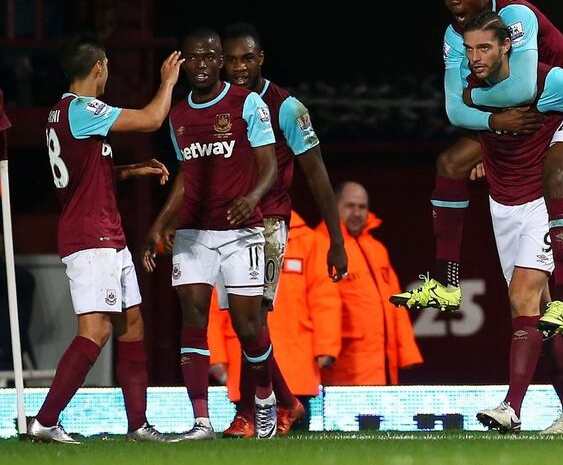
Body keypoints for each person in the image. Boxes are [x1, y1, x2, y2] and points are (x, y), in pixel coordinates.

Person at [392, 0, 563, 336]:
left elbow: (521, 88)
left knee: (555, 177)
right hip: (515, 115)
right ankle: (447, 282)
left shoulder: (515, 15)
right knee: (451, 163)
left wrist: (474, 98)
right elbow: (454, 110)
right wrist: (494, 127)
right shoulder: (456, 34)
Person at [458, 12, 563, 434]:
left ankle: (511, 406)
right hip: (503, 205)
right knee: (534, 319)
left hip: (539, 204)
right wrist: (484, 158)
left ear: (507, 46)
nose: (475, 57)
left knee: (522, 297)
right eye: (470, 49)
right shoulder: (470, 85)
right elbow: (487, 129)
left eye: (484, 48)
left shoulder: (545, 80)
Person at [27, 34, 183, 443]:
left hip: (106, 235)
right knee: (94, 331)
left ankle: (138, 426)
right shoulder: (84, 108)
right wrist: (167, 82)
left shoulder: (59, 115)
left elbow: (86, 174)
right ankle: (44, 421)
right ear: (99, 67)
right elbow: (151, 119)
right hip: (91, 236)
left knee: (132, 326)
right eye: (108, 67)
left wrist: (133, 170)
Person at [141, 28, 280, 440]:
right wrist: (159, 225)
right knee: (193, 319)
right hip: (193, 233)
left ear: (220, 61)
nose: (200, 65)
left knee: (248, 327)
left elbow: (268, 164)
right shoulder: (179, 114)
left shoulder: (247, 104)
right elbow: (186, 173)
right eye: (192, 58)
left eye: (208, 57)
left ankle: (266, 396)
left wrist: (251, 196)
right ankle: (201, 420)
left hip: (241, 232)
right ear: (182, 62)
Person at [210, 23, 347, 438]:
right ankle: (286, 402)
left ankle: (252, 413)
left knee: (253, 321)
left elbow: (318, 175)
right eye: (230, 59)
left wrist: (336, 242)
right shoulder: (213, 104)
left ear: (260, 58)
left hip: (267, 223)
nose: (238, 67)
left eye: (246, 58)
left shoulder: (287, 107)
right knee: (241, 323)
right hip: (224, 225)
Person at [208, 210, 342, 430]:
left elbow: (324, 298)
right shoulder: (231, 240)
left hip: (297, 364)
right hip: (244, 362)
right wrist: (216, 356)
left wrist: (325, 348)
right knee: (248, 446)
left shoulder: (309, 241)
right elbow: (215, 305)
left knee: (297, 449)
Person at [319, 182, 422, 385]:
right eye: (350, 206)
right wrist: (324, 349)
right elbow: (319, 305)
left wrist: (407, 352)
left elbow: (396, 304)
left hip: (381, 361)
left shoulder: (377, 249)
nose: (357, 213)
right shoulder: (322, 245)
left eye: (362, 207)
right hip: (344, 362)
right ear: (334, 207)